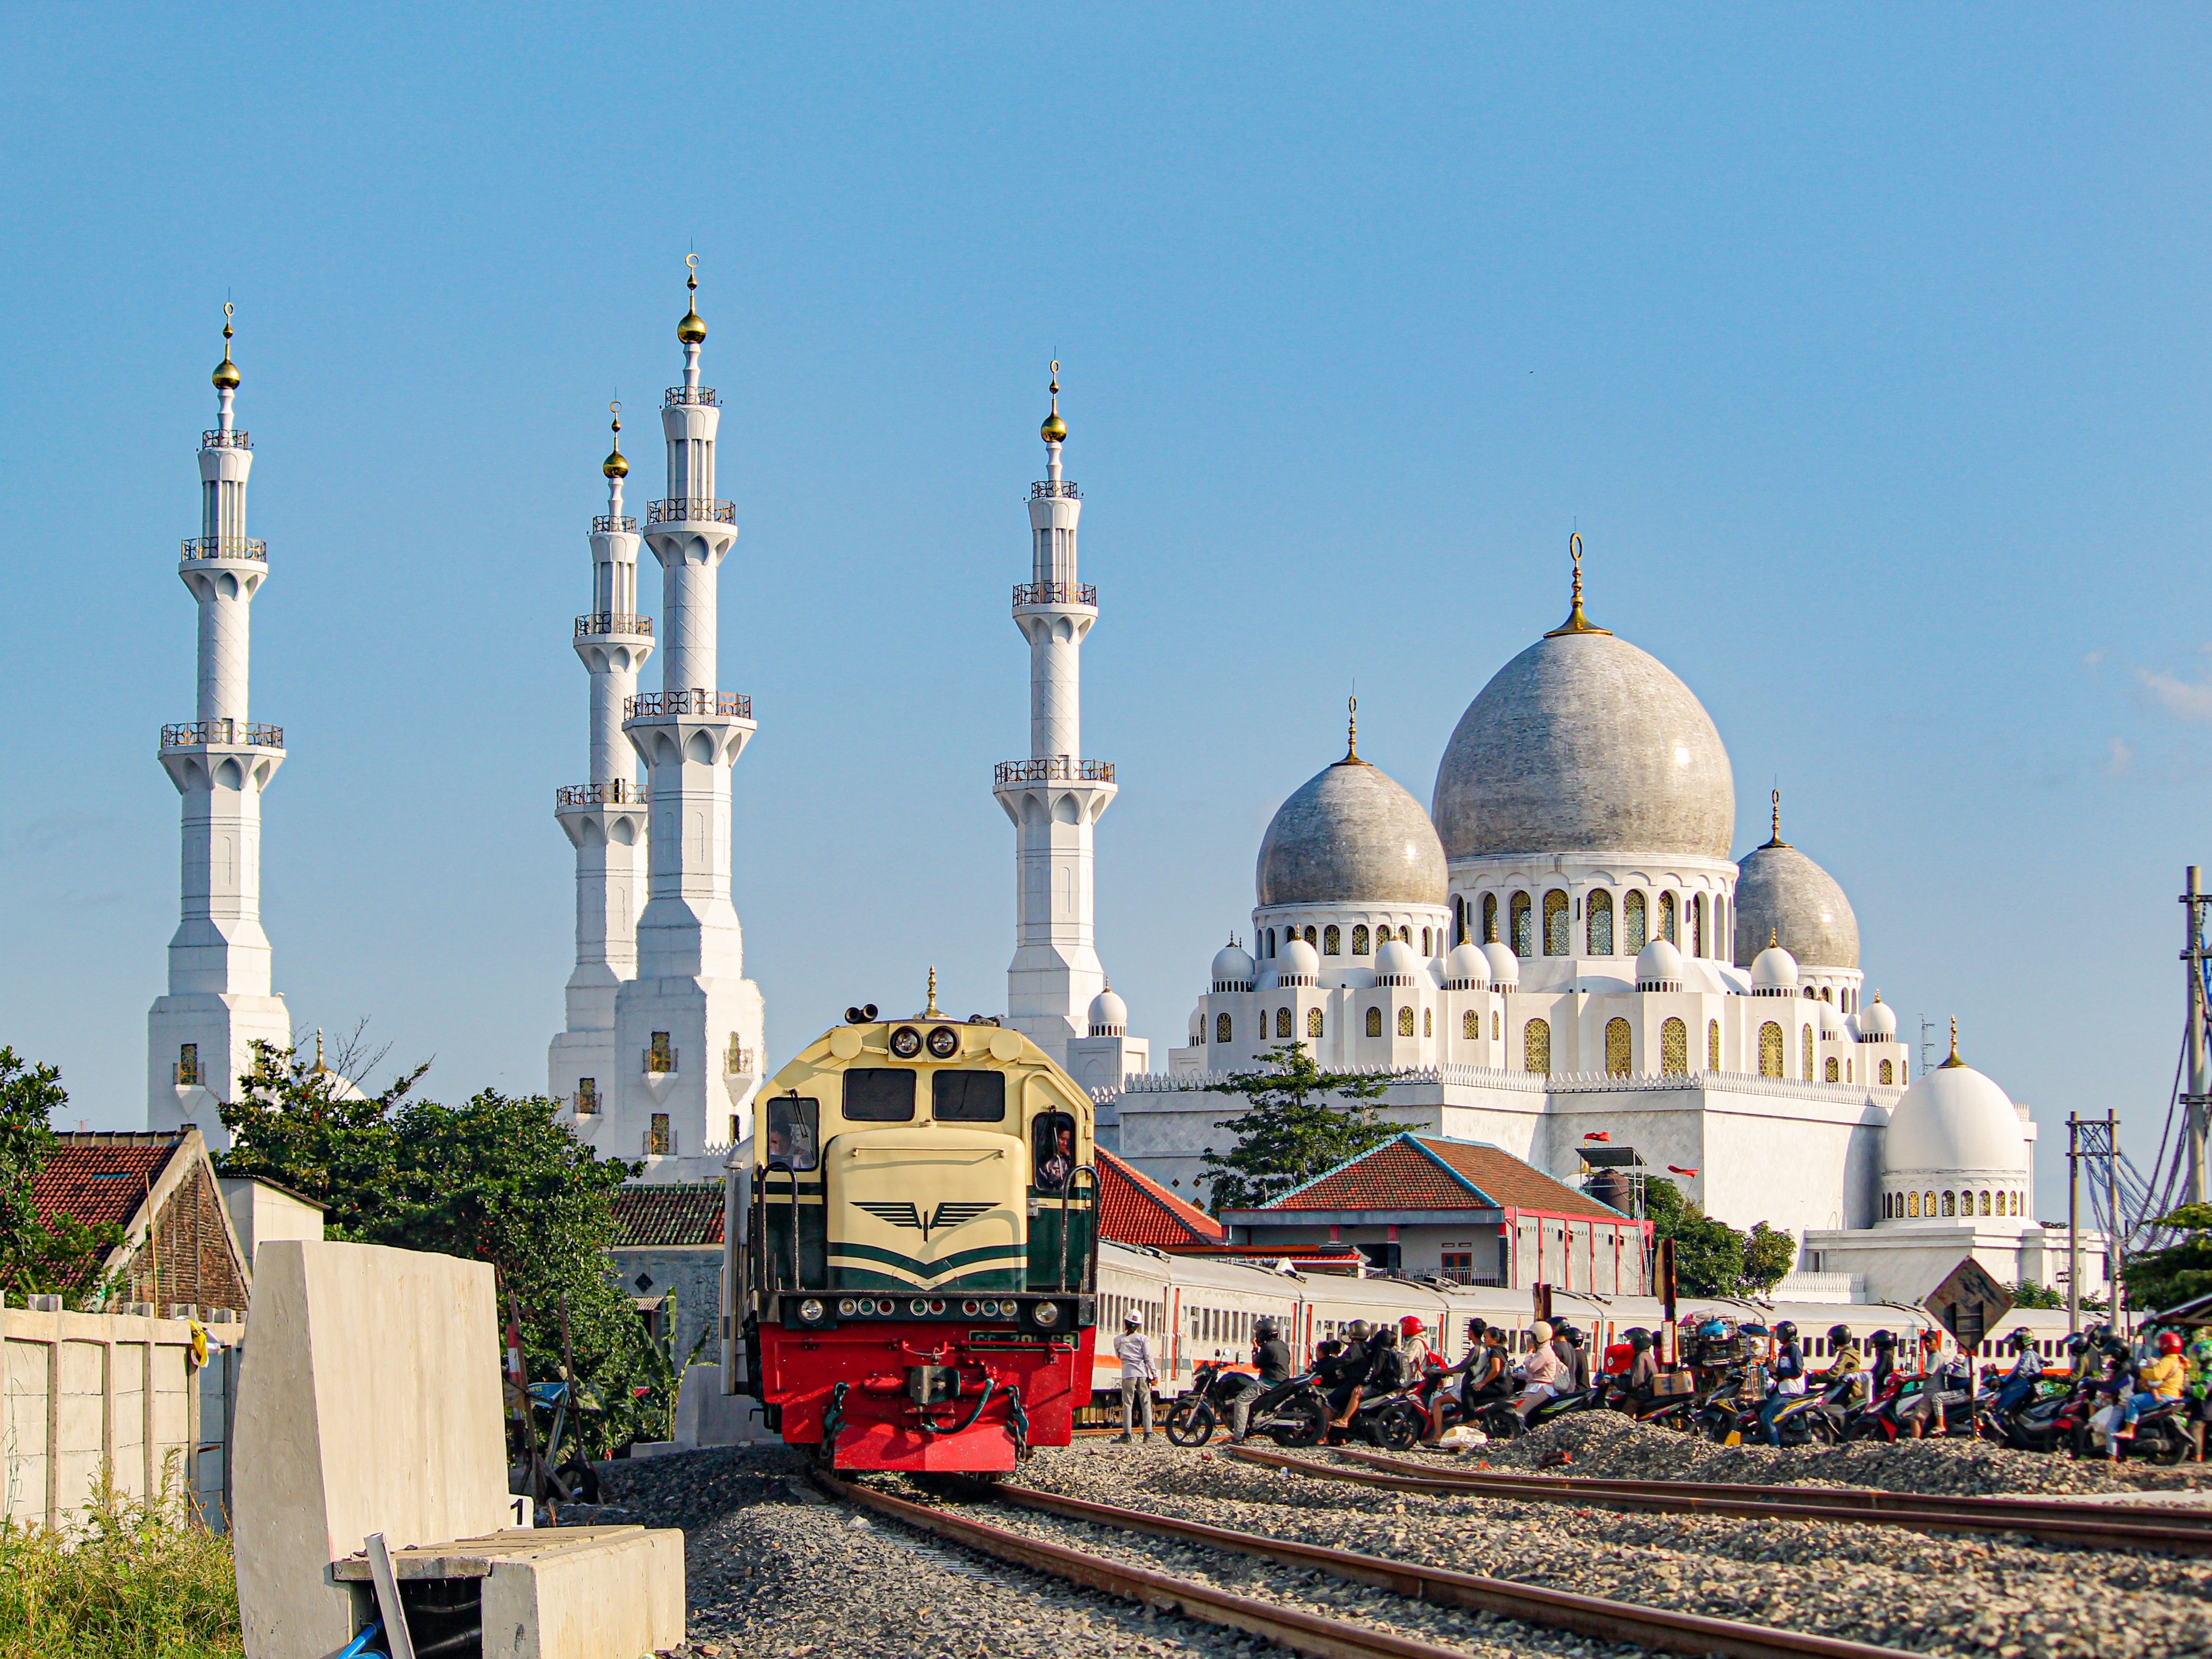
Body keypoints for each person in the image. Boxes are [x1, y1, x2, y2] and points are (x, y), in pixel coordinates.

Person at [2113, 1331, 2188, 1459]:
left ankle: (2129, 1430)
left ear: (2165, 1346)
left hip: (2164, 1396)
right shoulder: (2179, 1360)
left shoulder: (2168, 1360)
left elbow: (2156, 1374)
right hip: (2174, 1396)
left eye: (2161, 1344)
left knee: (2133, 1402)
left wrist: (2141, 1371)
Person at [1226, 1315, 1296, 1443]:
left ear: (1263, 1334)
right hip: (1282, 1380)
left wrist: (1255, 1349)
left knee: (1241, 1400)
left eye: (1258, 1333)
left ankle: (1238, 1436)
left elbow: (1256, 1363)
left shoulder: (1268, 1348)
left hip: (1269, 1382)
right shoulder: (1282, 1345)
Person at [1758, 1320, 1807, 1446]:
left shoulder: (1793, 1350)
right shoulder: (1785, 1350)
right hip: (1782, 1388)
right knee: (1758, 1407)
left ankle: (1775, 1446)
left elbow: (1797, 1371)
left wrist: (1777, 1371)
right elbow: (1781, 1374)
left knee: (1766, 1415)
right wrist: (1771, 1369)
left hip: (1789, 1391)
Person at [1112, 1311, 1158, 1443]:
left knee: (1127, 1404)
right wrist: (1155, 1374)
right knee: (1146, 1404)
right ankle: (1148, 1435)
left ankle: (1127, 1435)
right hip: (1142, 1374)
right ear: (1139, 1325)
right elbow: (1148, 1358)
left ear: (1125, 1324)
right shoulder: (1143, 1339)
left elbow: (1119, 1356)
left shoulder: (1118, 1340)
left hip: (1128, 1374)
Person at [1513, 1320, 1566, 1419]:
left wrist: (1529, 1351)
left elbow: (1531, 1368)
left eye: (1532, 1337)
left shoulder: (1544, 1352)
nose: (1530, 1340)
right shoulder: (1543, 1351)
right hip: (1536, 1387)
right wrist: (1517, 1375)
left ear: (1540, 1337)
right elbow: (1535, 1374)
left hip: (1540, 1388)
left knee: (1518, 1412)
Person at [1993, 1329, 2045, 1417]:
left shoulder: (2028, 1354)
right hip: (2029, 1388)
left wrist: (2004, 1382)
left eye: (2016, 1342)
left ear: (2022, 1342)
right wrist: (2003, 1378)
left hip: (2031, 1390)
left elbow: (2019, 1370)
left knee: (2013, 1412)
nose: (2014, 1344)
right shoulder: (2030, 1353)